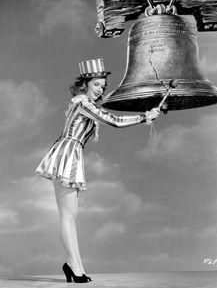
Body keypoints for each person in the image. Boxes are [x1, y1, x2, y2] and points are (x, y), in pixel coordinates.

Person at [35, 58, 160, 283]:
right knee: (67, 216)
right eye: (96, 85)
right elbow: (111, 120)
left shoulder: (85, 104)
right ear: (85, 84)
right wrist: (143, 117)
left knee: (70, 216)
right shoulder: (82, 102)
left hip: (72, 153)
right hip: (67, 153)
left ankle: (76, 267)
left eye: (102, 86)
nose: (100, 89)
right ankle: (73, 266)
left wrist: (146, 115)